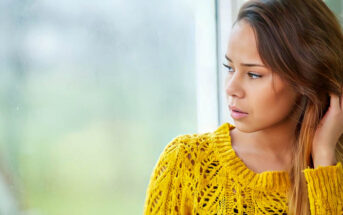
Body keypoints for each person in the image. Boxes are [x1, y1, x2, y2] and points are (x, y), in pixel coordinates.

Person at [143, 0, 343, 214]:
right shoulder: (186, 163)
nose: (231, 88)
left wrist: (324, 158)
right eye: (229, 67)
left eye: (254, 74)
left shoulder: (334, 168)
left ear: (306, 79)